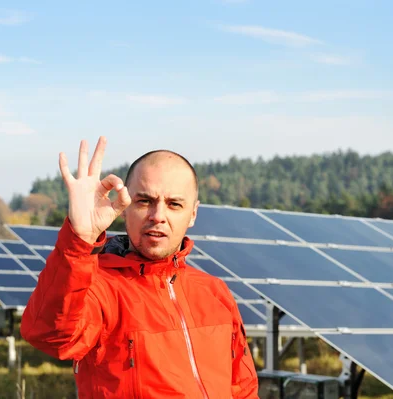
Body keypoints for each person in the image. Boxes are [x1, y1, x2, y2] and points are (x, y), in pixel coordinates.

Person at [20, 136, 259, 398]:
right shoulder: (97, 289)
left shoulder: (215, 292)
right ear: (124, 207)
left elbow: (243, 387)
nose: (158, 216)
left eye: (174, 204)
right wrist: (79, 240)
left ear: (193, 213)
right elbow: (50, 335)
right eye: (144, 201)